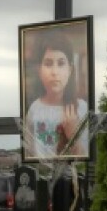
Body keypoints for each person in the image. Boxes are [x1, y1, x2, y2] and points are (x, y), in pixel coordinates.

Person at [24, 29, 88, 161]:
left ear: (70, 70)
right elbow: (30, 156)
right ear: (39, 70)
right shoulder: (34, 109)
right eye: (48, 64)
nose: (55, 72)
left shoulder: (82, 108)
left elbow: (85, 160)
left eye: (61, 63)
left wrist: (72, 135)